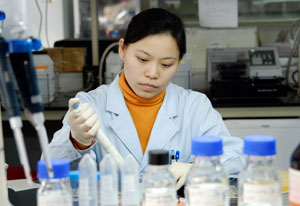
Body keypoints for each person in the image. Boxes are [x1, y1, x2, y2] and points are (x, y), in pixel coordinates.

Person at [47, 8, 245, 190]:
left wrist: (199, 169)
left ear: (179, 62)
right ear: (123, 50)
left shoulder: (194, 107)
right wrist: (77, 141)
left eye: (166, 64)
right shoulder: (90, 105)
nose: (152, 73)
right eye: (142, 59)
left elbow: (238, 157)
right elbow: (51, 170)